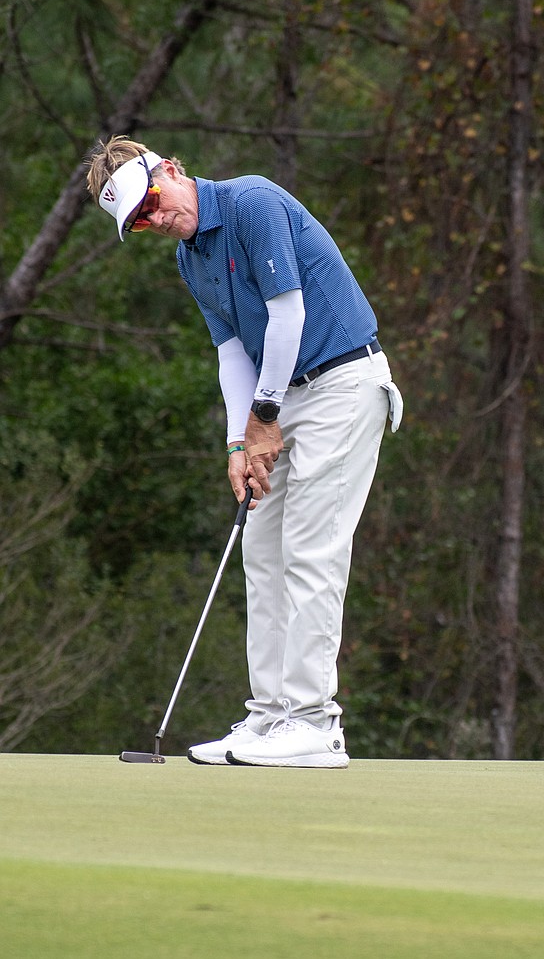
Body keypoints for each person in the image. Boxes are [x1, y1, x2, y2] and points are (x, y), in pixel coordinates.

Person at [86, 136, 402, 768]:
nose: (155, 220)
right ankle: (270, 716)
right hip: (280, 396)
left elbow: (287, 317)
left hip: (342, 383)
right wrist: (240, 440)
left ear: (171, 170)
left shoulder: (253, 201)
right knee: (260, 549)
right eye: (139, 222)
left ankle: (314, 722)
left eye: (151, 202)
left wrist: (263, 419)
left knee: (310, 548)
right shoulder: (190, 259)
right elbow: (232, 353)